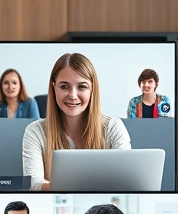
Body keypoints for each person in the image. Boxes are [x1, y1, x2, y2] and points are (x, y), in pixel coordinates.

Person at [22, 53, 131, 191]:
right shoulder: (34, 131)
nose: (73, 95)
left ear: (92, 89)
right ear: (54, 87)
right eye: (64, 86)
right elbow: (33, 184)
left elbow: (126, 180)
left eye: (82, 86)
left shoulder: (113, 127)